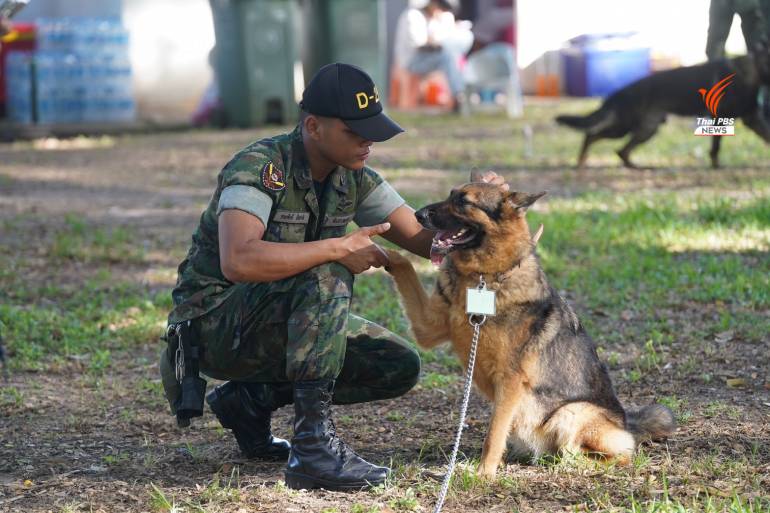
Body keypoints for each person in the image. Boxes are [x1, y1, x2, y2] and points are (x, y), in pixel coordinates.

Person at [160, 62, 507, 491]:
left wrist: (476, 211)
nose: (368, 142)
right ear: (313, 126)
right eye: (356, 131)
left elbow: (425, 241)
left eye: (373, 131)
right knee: (328, 270)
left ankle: (249, 400)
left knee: (395, 364)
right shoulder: (259, 167)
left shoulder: (354, 177)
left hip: (272, 322)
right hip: (213, 325)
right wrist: (339, 248)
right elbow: (239, 260)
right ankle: (313, 451)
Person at [393, 0, 468, 109]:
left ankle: (458, 94)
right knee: (447, 57)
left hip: (423, 59)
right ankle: (457, 95)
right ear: (433, 4)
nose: (441, 12)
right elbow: (420, 45)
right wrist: (438, 42)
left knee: (453, 55)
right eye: (440, 9)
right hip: (410, 61)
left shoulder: (431, 18)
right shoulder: (413, 15)